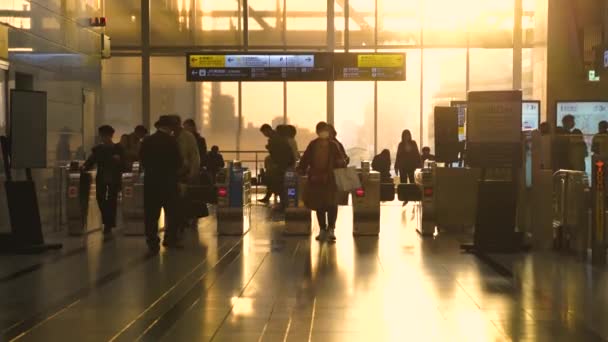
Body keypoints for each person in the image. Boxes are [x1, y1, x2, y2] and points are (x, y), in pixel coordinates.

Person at [297, 122, 347, 242]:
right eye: (321, 130)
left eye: (325, 130)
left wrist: (341, 163)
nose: (323, 132)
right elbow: (305, 159)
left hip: (330, 180)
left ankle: (331, 229)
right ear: (318, 132)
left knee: (331, 204)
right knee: (319, 204)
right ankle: (322, 229)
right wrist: (301, 169)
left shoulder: (334, 145)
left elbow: (341, 160)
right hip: (316, 179)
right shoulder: (313, 145)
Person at [140, 115, 182, 253]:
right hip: (169, 182)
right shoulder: (172, 141)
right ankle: (170, 239)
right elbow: (178, 162)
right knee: (172, 212)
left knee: (151, 214)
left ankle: (152, 242)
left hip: (151, 182)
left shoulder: (147, 141)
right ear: (169, 127)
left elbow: (142, 160)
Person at [82, 125, 125, 236]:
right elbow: (91, 161)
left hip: (113, 178)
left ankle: (108, 225)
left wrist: (119, 162)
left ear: (110, 136)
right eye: (102, 136)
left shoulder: (117, 148)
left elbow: (124, 164)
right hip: (102, 178)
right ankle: (107, 222)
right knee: (100, 199)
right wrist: (84, 167)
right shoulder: (98, 149)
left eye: (105, 135)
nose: (103, 138)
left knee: (111, 201)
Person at [170, 115, 201, 231]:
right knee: (176, 200)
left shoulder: (188, 137)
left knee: (185, 197)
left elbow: (194, 156)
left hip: (185, 173)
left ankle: (183, 220)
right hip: (174, 173)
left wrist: (193, 173)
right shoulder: (171, 136)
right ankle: (179, 222)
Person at [260, 123, 295, 210]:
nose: (264, 135)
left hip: (281, 164)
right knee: (280, 183)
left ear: (267, 130)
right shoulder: (278, 138)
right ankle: (283, 203)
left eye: (264, 133)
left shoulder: (274, 138)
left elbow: (277, 152)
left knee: (279, 184)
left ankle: (283, 204)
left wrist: (269, 148)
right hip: (284, 163)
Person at [327, 124, 350, 206]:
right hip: (334, 176)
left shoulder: (335, 144)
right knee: (333, 201)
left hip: (329, 176)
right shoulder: (337, 144)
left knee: (327, 201)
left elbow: (344, 159)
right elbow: (345, 159)